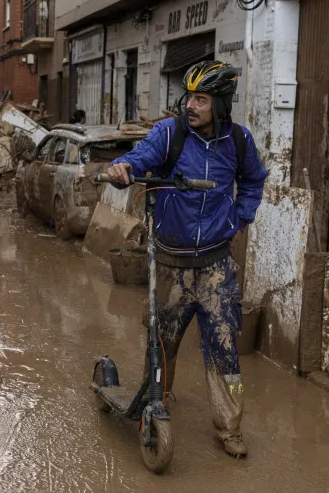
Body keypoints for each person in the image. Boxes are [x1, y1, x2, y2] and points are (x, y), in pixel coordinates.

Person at [105, 60, 268, 458]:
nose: (191, 105)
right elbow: (140, 157)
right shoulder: (170, 133)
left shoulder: (240, 142)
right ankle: (155, 404)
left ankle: (229, 430)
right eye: (189, 96)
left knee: (225, 347)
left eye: (201, 99)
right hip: (170, 264)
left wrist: (240, 217)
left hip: (216, 266)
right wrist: (122, 166)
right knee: (162, 342)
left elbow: (254, 179)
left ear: (222, 104)